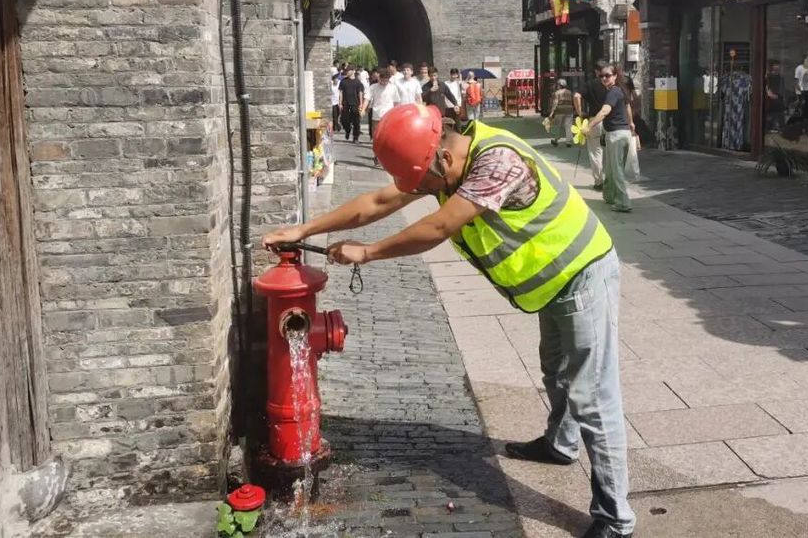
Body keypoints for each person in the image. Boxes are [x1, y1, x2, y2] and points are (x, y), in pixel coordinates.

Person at [263, 104, 636, 538]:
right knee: (554, 369)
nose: (421, 191)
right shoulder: (444, 162)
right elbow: (379, 201)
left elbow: (440, 226)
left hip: (582, 274)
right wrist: (303, 231)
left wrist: (367, 251)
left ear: (441, 158)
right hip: (552, 280)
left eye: (423, 183)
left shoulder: (497, 162)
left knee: (592, 396)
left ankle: (615, 517)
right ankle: (561, 443)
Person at [589, 64, 635, 213]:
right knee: (610, 167)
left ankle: (623, 202)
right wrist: (631, 123)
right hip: (622, 133)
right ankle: (609, 195)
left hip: (616, 135)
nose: (604, 78)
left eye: (607, 75)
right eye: (601, 76)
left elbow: (604, 111)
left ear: (615, 76)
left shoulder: (613, 92)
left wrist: (589, 125)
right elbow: (627, 106)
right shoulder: (620, 90)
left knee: (616, 170)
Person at [573, 61, 609, 190]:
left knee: (595, 152)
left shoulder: (590, 84)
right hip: (611, 121)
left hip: (595, 121)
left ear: (596, 71)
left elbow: (576, 96)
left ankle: (599, 182)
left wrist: (580, 113)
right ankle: (611, 180)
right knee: (611, 152)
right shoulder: (611, 84)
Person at [366, 69, 400, 162]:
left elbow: (396, 102)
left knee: (388, 137)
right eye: (383, 80)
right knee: (376, 136)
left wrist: (396, 114)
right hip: (376, 115)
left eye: (386, 80)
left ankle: (386, 155)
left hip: (389, 116)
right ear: (379, 78)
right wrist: (363, 108)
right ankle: (376, 155)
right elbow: (367, 98)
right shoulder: (373, 87)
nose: (384, 82)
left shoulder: (393, 88)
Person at [337, 67, 364, 143]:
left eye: (348, 71)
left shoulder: (357, 82)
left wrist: (361, 103)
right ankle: (347, 130)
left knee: (356, 122)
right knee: (344, 120)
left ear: (353, 71)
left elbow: (360, 93)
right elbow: (341, 93)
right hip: (346, 104)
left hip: (355, 104)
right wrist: (340, 103)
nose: (347, 72)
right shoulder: (343, 81)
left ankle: (356, 137)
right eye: (346, 71)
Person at [548, 79, 575, 147]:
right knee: (568, 126)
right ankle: (568, 142)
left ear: (560, 85)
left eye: (558, 85)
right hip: (569, 111)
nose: (557, 86)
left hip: (560, 111)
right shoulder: (569, 92)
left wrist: (552, 112)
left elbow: (555, 102)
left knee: (557, 125)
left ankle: (556, 140)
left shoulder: (557, 93)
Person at [765, 60, 786, 133]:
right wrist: (769, 94)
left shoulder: (781, 77)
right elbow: (766, 86)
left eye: (778, 65)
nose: (777, 67)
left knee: (780, 113)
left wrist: (782, 97)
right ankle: (768, 128)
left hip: (779, 97)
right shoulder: (769, 76)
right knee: (770, 114)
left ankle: (781, 128)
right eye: (775, 65)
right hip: (770, 97)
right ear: (772, 66)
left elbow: (782, 88)